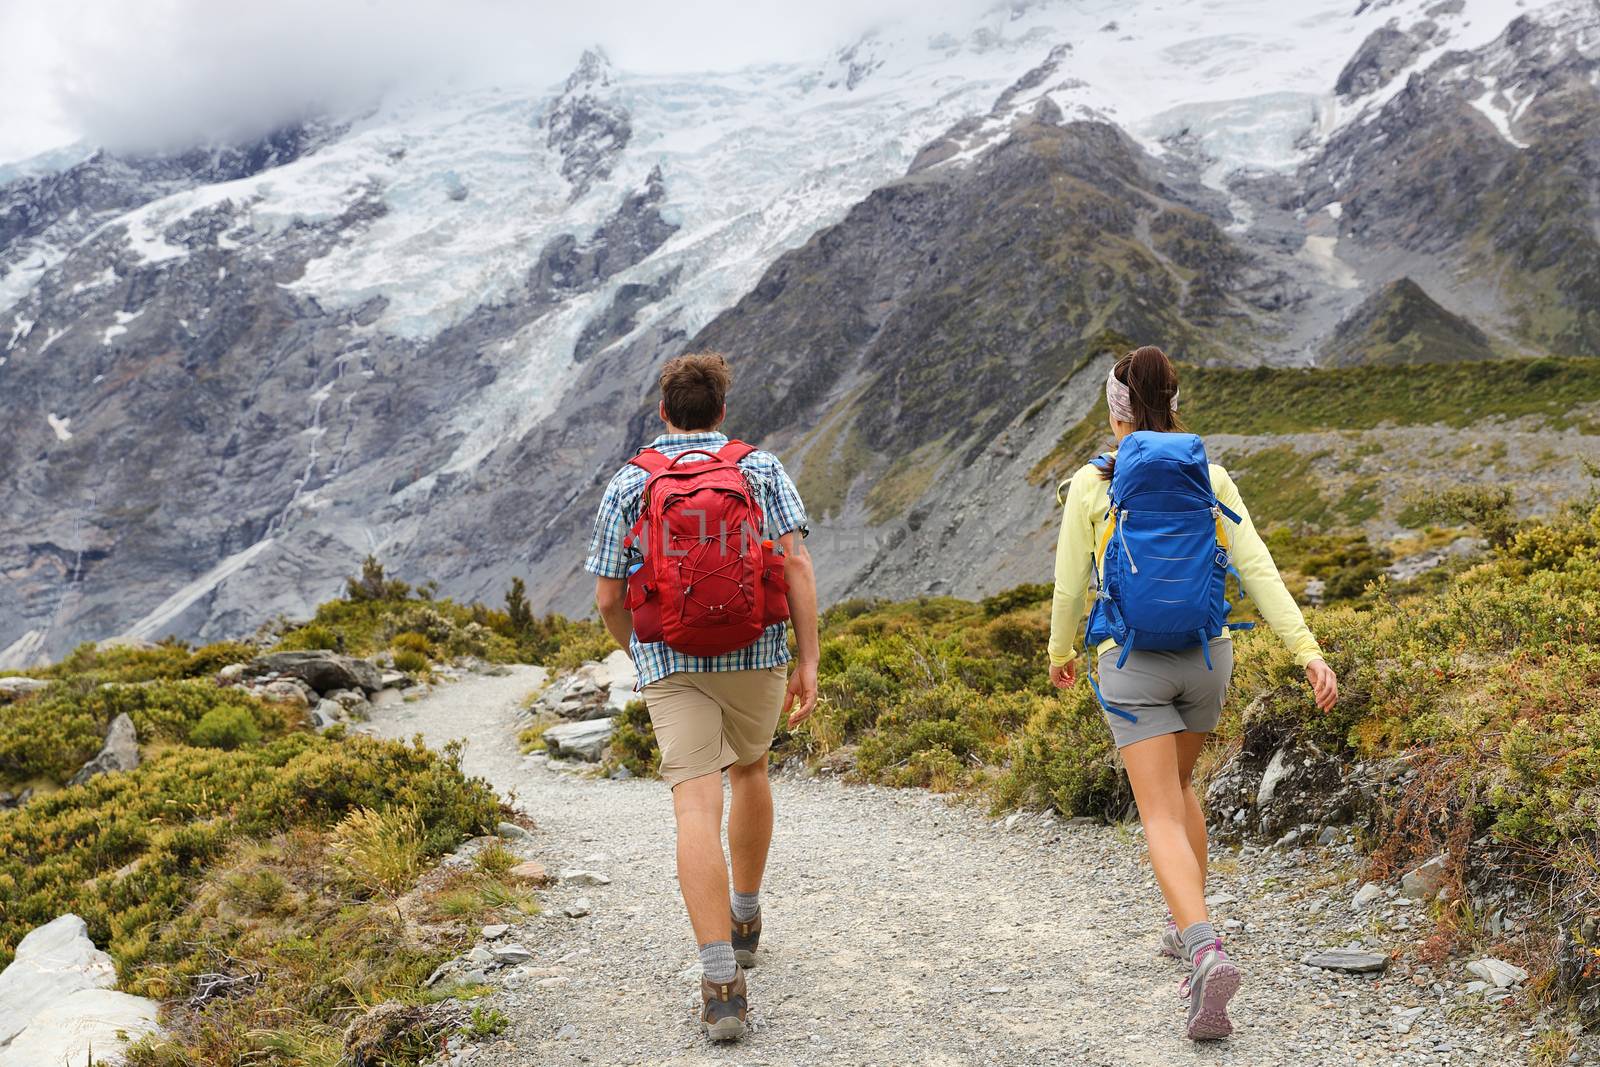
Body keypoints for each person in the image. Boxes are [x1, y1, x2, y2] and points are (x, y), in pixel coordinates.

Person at [1046, 346, 1339, 1041]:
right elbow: (1257, 565)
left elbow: (1067, 586)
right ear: (1176, 401)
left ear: (1114, 412)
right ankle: (1188, 931)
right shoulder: (1209, 474)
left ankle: (1204, 947)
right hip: (1209, 658)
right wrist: (1307, 650)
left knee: (1158, 813)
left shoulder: (1093, 484)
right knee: (1181, 790)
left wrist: (1061, 653)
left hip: (1132, 660)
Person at [586, 351, 820, 1043]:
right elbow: (796, 561)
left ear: (663, 411)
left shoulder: (631, 481)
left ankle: (721, 985)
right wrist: (808, 658)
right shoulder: (759, 467)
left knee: (694, 801)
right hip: (756, 649)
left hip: (671, 657)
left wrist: (643, 653)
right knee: (750, 768)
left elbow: (605, 593)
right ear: (722, 409)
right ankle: (745, 917)